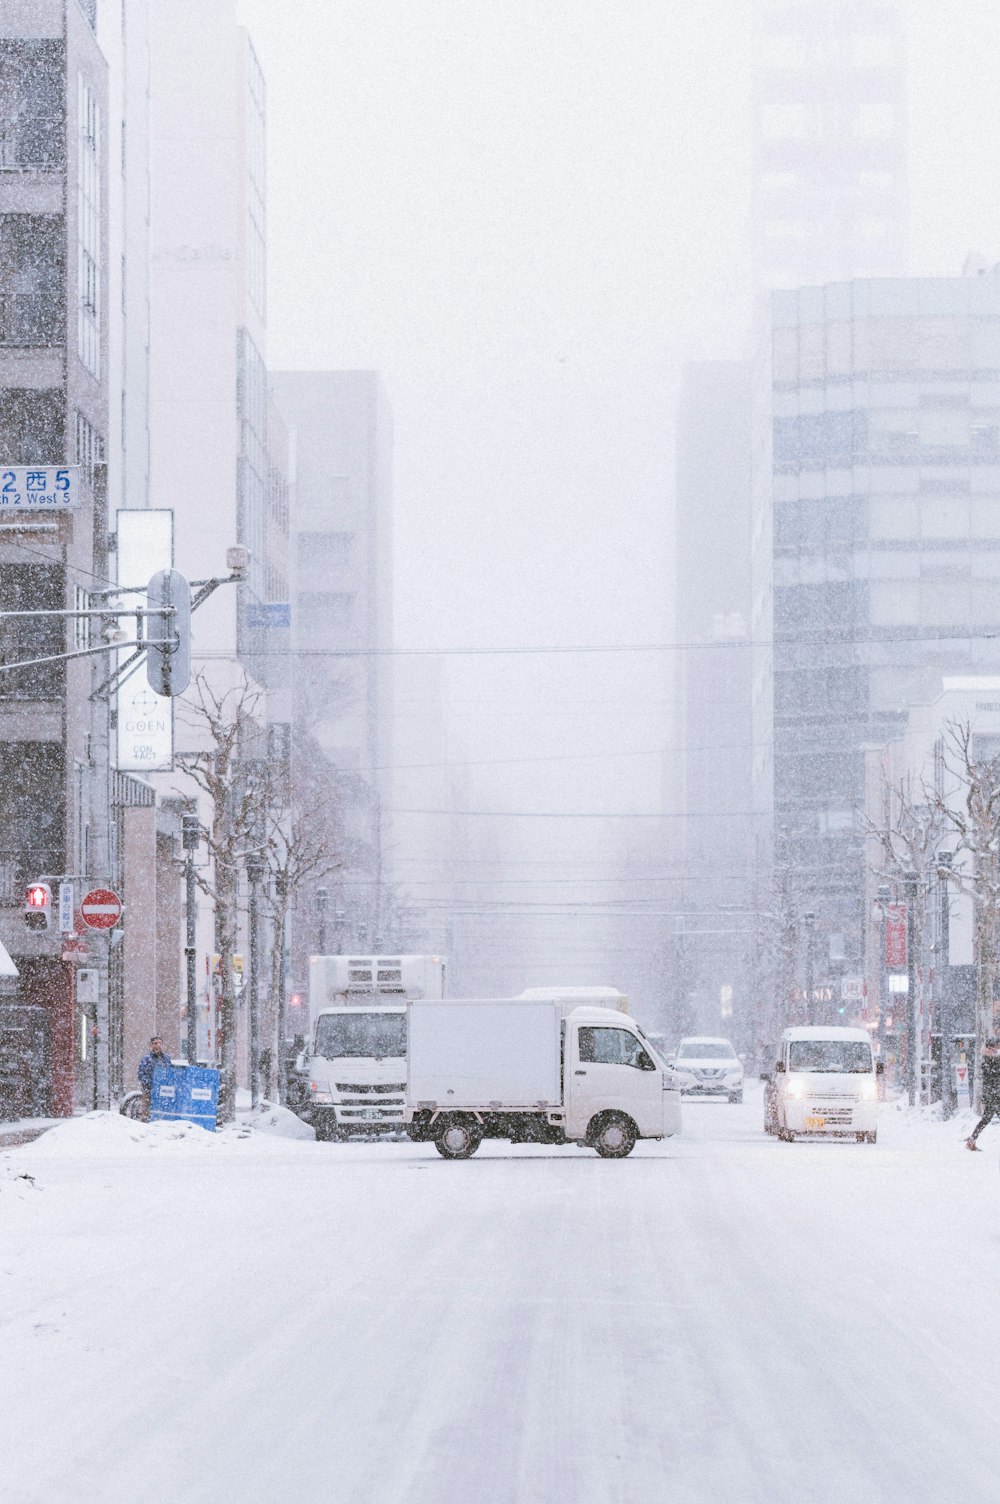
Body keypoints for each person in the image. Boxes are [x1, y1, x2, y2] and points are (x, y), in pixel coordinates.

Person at [966, 1037, 1000, 1150]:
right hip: (995, 1095)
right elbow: (994, 1077)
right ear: (990, 1048)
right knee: (986, 1119)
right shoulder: (991, 1060)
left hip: (992, 1095)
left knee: (986, 1119)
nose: (998, 1048)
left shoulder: (989, 1060)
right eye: (997, 1046)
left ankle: (971, 1140)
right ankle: (971, 1141)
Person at [138, 1036, 169, 1123]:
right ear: (151, 1046)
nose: (158, 1045)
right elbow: (141, 1074)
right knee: (147, 1111)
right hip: (149, 1090)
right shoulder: (146, 1059)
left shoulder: (166, 1058)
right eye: (155, 1043)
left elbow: (169, 1072)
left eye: (160, 1043)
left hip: (163, 1090)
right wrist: (150, 1084)